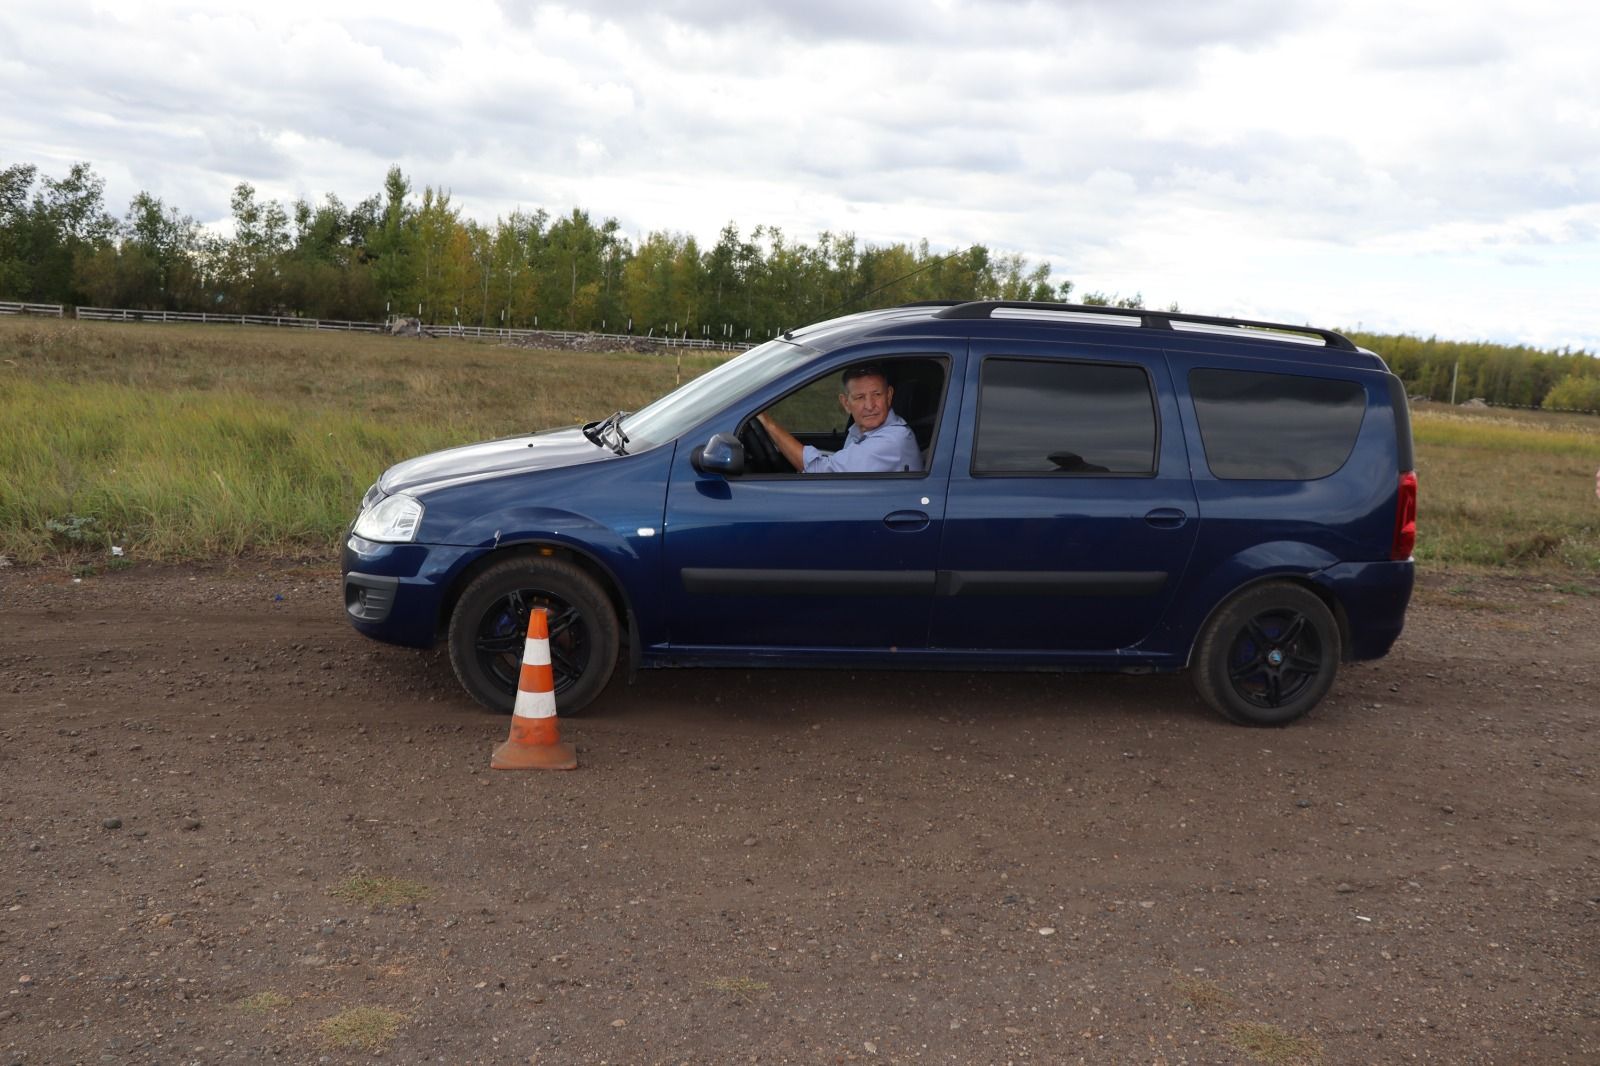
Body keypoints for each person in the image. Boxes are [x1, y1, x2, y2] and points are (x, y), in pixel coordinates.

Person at [758, 365, 922, 473]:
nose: (870, 405)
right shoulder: (862, 430)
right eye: (859, 397)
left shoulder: (891, 440)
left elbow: (819, 471)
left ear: (889, 396)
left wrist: (767, 422)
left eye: (877, 395)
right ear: (846, 403)